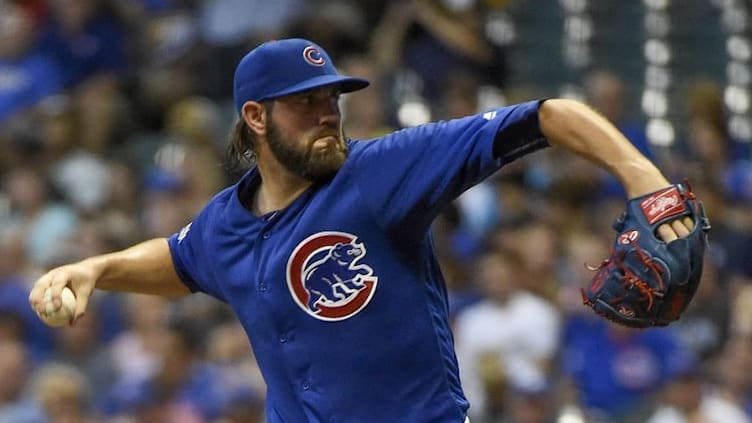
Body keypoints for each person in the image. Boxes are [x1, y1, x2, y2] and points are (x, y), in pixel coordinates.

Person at [29, 38, 695, 422]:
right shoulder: (225, 224)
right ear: (256, 118)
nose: (328, 114)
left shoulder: (380, 173)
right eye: (306, 102)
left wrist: (646, 182)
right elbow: (178, 262)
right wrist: (95, 270)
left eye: (332, 99)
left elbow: (548, 116)